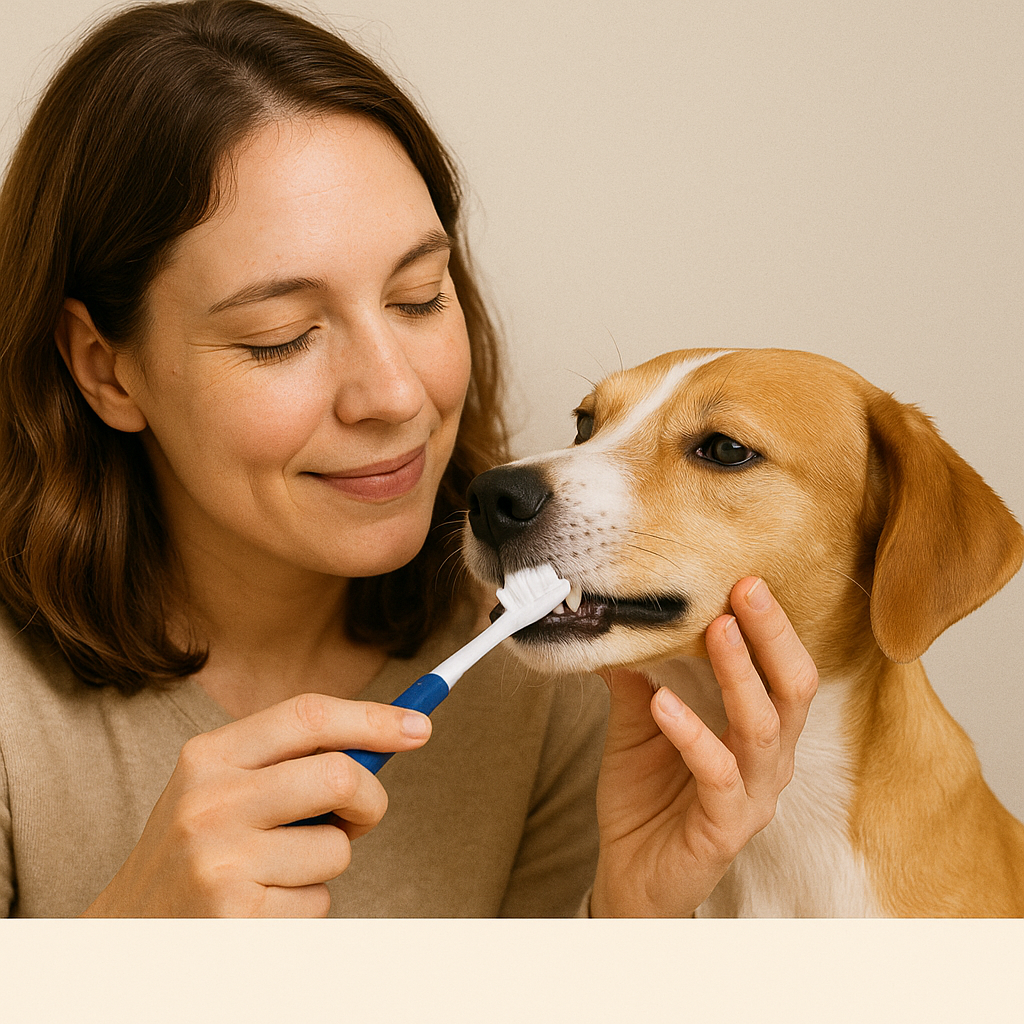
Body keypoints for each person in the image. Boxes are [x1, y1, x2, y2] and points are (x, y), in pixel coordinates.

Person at [0, 0, 817, 918]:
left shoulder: (560, 674)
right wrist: (120, 957)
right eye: (280, 337)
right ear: (106, 370)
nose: (393, 395)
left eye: (420, 297)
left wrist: (628, 922)